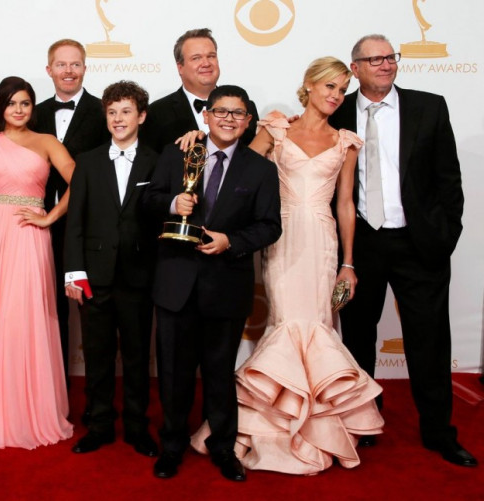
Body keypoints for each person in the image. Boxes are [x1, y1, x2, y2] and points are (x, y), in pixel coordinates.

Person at [189, 57, 385, 475]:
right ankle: (271, 428)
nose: (335, 95)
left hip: (323, 239)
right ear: (309, 86)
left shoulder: (346, 141)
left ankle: (318, 430)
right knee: (286, 323)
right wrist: (199, 139)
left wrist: (349, 263)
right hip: (281, 236)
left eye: (341, 89)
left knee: (318, 325)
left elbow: (345, 203)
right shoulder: (276, 130)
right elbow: (233, 163)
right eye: (328, 86)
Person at [328, 34, 476, 467]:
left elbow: (450, 180)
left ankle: (439, 433)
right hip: (360, 245)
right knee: (357, 339)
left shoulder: (430, 106)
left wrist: (444, 236)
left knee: (429, 342)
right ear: (354, 68)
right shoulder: (336, 110)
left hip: (418, 243)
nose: (385, 65)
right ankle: (363, 422)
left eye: (390, 57)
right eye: (374, 59)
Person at [144, 85, 282, 481]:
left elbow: (270, 226)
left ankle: (223, 448)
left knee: (220, 374)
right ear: (205, 115)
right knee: (173, 373)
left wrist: (231, 242)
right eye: (221, 111)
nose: (228, 119)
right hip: (175, 282)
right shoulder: (178, 153)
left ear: (248, 121)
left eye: (238, 113)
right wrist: (173, 203)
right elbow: (148, 201)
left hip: (226, 285)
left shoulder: (260, 169)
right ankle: (172, 446)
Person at [0, 76, 75, 449]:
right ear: (2, 108)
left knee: (27, 316)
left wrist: (50, 216)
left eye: (25, 103)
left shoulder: (46, 143)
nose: (19, 110)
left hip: (30, 237)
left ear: (32, 107)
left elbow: (83, 182)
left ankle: (33, 408)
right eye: (12, 103)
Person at [64, 81, 159, 457]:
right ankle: (99, 424)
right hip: (95, 276)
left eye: (126, 111)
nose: (119, 119)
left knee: (137, 357)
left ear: (141, 116)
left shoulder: (157, 159)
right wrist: (74, 272)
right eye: (112, 112)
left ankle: (137, 426)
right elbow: (76, 221)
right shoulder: (87, 161)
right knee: (98, 356)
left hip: (140, 274)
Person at [33, 39, 110, 385]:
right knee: (49, 313)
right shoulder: (31, 113)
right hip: (38, 226)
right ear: (49, 69)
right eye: (61, 65)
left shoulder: (104, 111)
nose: (68, 71)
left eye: (75, 64)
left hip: (91, 227)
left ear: (84, 68)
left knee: (93, 317)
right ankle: (53, 392)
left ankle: (97, 404)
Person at [140, 28, 259, 154]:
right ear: (180, 67)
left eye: (211, 56)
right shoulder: (157, 112)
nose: (206, 63)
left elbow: (255, 160)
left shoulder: (246, 107)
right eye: (196, 58)